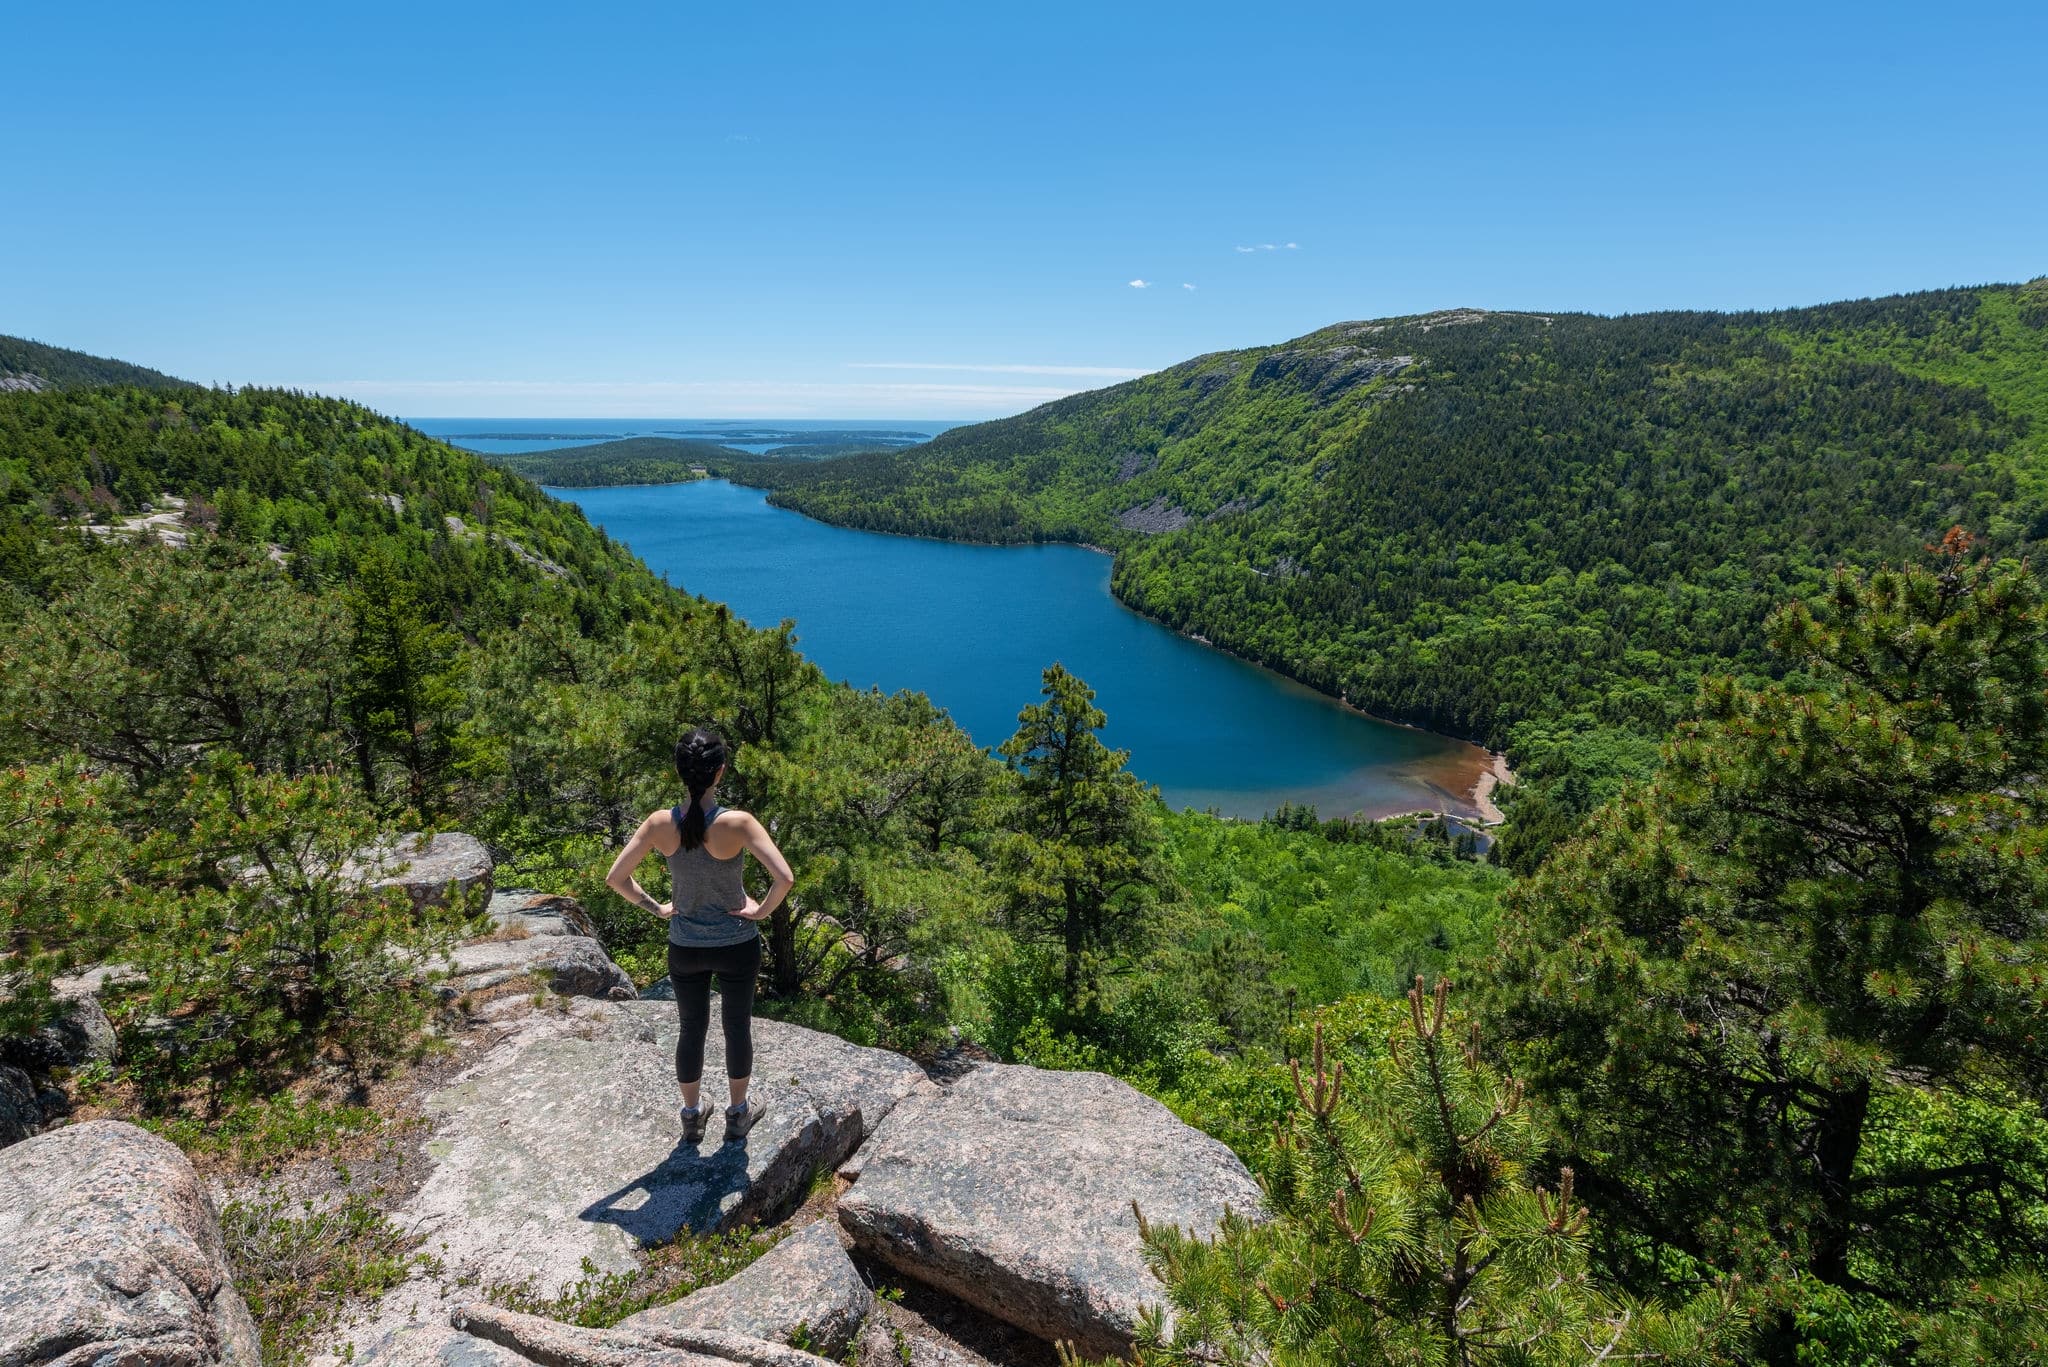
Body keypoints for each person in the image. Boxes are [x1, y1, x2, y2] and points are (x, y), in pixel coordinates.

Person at [606, 727, 793, 1144]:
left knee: (691, 1028)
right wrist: (758, 911)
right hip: (736, 944)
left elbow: (616, 878)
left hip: (685, 945)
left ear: (680, 771)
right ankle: (737, 1114)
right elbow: (784, 879)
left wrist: (657, 908)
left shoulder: (659, 824)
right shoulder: (738, 823)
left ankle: (691, 1116)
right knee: (737, 1026)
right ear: (719, 773)